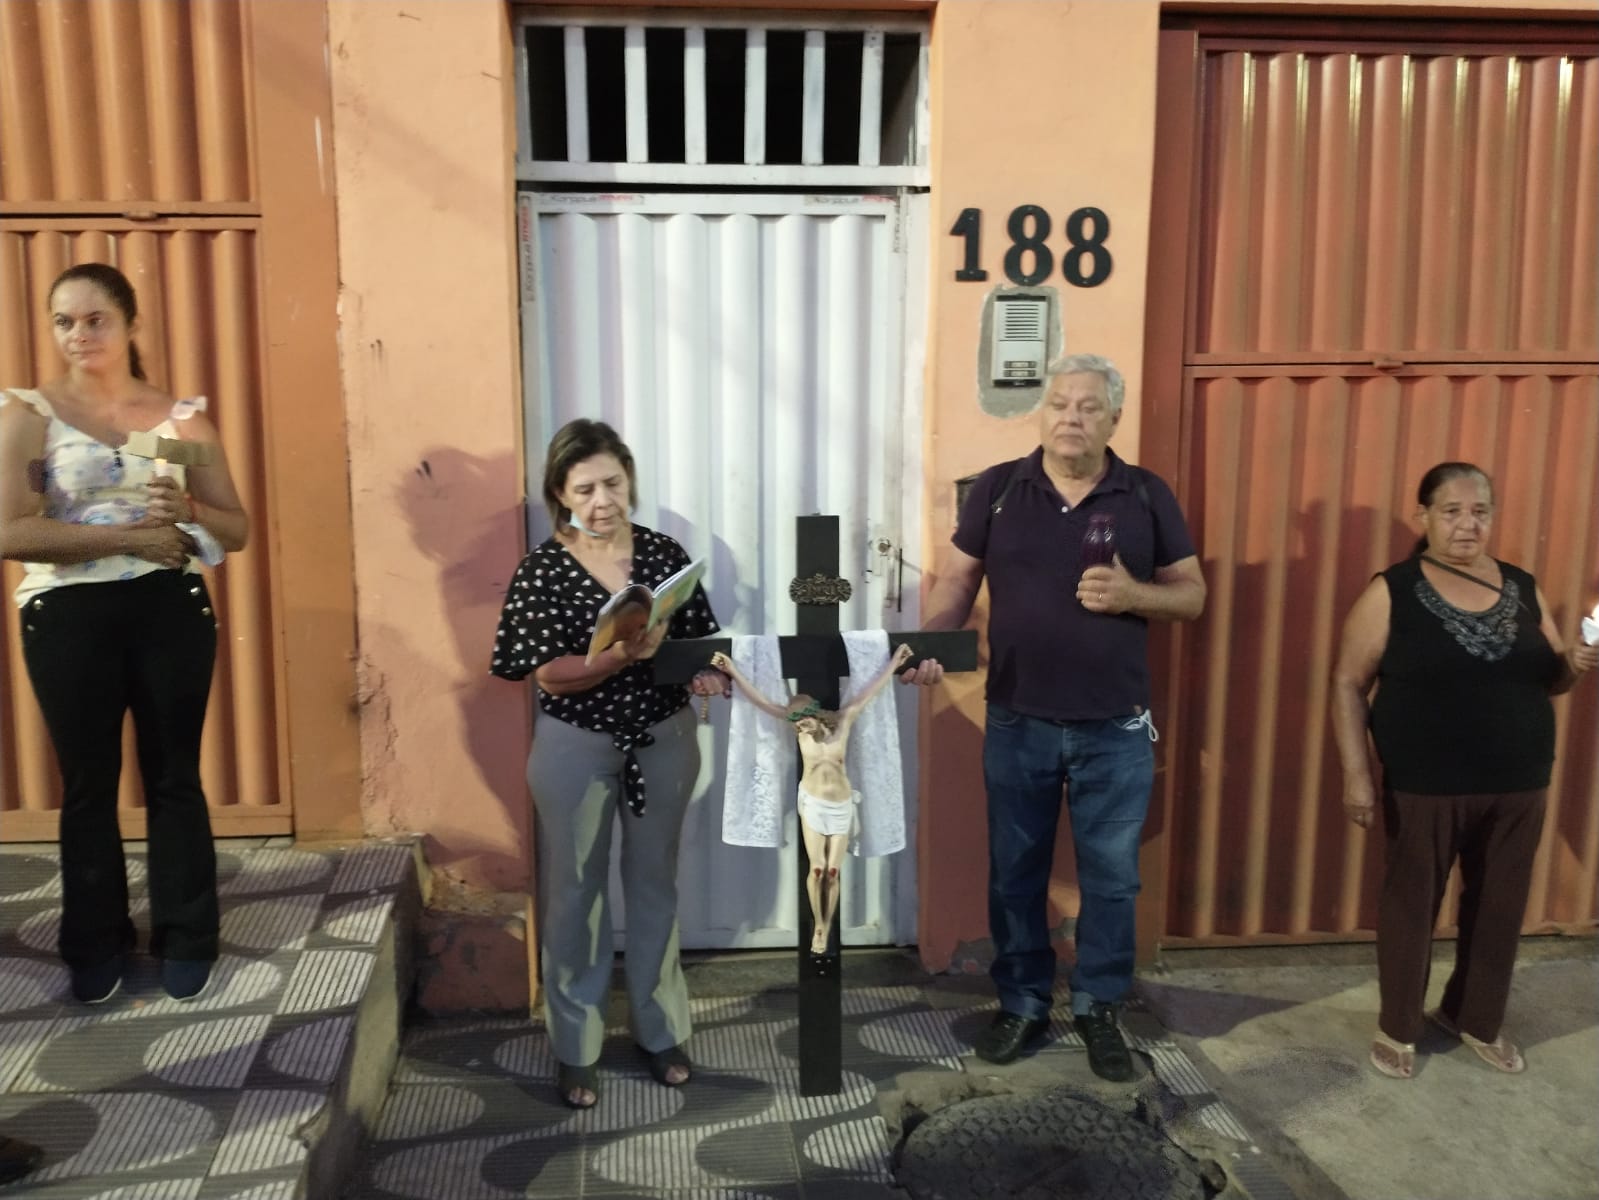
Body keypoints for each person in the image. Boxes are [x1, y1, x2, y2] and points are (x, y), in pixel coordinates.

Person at [910, 353, 1205, 1081]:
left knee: (1112, 881)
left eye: (1088, 406)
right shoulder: (998, 490)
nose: (1071, 417)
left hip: (1115, 727)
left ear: (1113, 418)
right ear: (1040, 412)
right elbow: (958, 579)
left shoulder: (1145, 494)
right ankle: (1023, 1004)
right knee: (1016, 873)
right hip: (1019, 720)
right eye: (1059, 403)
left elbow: (1191, 595)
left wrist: (1134, 595)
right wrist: (934, 644)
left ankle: (1100, 1009)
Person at [0, 263, 250, 1005]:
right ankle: (94, 943)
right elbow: (11, 529)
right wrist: (130, 541)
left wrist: (189, 512)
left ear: (132, 325)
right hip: (66, 615)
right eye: (64, 321)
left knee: (175, 775)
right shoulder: (30, 416)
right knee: (88, 782)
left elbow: (234, 527)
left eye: (95, 319)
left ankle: (188, 936)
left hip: (169, 608)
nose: (79, 335)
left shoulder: (177, 422)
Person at [490, 418, 729, 1110]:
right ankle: (577, 1046)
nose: (602, 501)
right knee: (575, 895)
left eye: (613, 483)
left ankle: (661, 1031)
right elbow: (545, 674)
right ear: (560, 496)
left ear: (630, 481)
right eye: (585, 490)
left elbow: (698, 645)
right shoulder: (542, 570)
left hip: (663, 738)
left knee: (655, 885)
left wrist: (703, 671)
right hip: (576, 744)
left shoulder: (662, 555)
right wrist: (618, 657)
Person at [1331, 462, 1596, 1080]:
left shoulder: (1522, 587)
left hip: (1519, 781)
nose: (1467, 524)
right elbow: (1347, 682)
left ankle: (1474, 1018)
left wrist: (1577, 662)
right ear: (1423, 517)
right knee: (1411, 904)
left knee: (1500, 906)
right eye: (1451, 511)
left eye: (1480, 512)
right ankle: (1398, 1025)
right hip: (1424, 784)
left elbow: (1550, 678)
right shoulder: (1393, 590)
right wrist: (1356, 774)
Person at [711, 642, 915, 954]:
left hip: (841, 806)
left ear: (813, 714)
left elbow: (868, 692)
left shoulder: (843, 721)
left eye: (802, 721)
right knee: (817, 869)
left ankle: (827, 923)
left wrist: (894, 663)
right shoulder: (802, 734)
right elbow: (761, 701)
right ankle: (818, 926)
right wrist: (733, 671)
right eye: (794, 724)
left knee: (833, 871)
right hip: (813, 805)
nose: (798, 728)